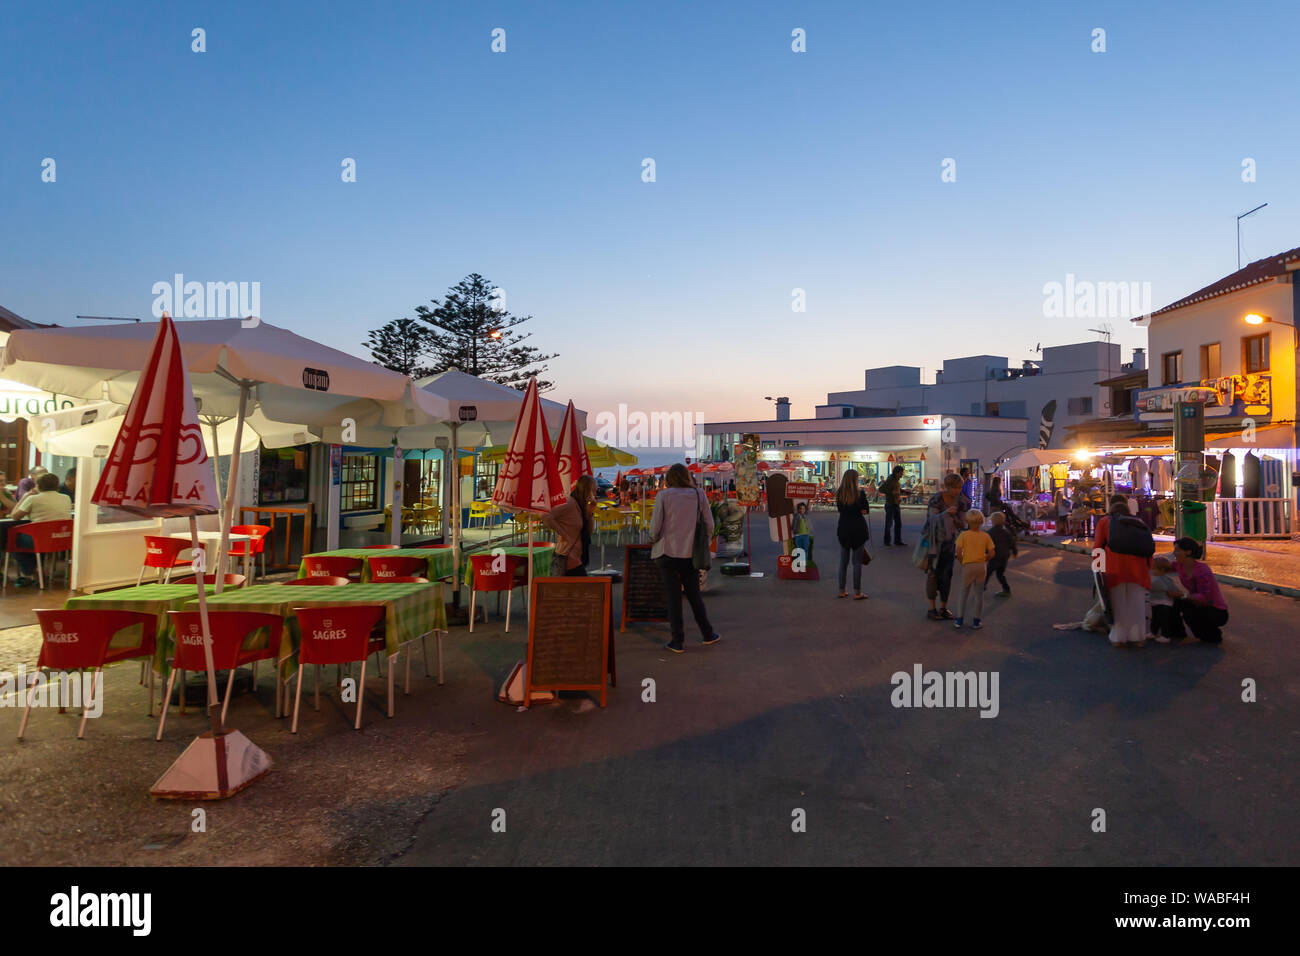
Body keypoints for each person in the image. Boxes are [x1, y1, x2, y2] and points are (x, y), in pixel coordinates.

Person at [649, 463, 718, 653]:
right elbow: (709, 523)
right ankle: (707, 633)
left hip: (667, 552)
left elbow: (655, 526)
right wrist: (705, 541)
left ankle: (677, 641)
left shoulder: (663, 496)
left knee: (673, 598)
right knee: (694, 595)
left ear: (670, 479)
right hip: (690, 553)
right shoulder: (698, 494)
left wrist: (652, 539)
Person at [1093, 494, 1152, 647]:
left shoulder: (1105, 522)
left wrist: (1097, 569)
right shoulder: (1139, 521)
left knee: (1118, 606)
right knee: (1137, 605)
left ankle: (1119, 638)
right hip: (1138, 570)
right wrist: (1148, 567)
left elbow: (1098, 547)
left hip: (1115, 569)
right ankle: (1137, 637)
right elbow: (1148, 548)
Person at [9, 473, 72, 586]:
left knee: (12, 542)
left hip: (40, 539)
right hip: (61, 539)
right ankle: (39, 571)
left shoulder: (33, 499)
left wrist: (25, 496)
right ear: (57, 485)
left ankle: (33, 572)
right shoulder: (66, 498)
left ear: (38, 486)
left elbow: (14, 516)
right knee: (35, 539)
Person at [924, 473, 970, 621]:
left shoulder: (962, 501)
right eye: (954, 488)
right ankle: (932, 609)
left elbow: (963, 524)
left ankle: (943, 607)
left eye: (959, 488)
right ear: (946, 486)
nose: (957, 491)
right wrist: (945, 513)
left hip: (950, 542)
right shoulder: (937, 499)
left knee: (947, 575)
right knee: (933, 574)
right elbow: (931, 520)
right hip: (934, 541)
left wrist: (959, 522)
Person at [1168, 537, 1228, 643]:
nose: (1174, 553)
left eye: (1177, 550)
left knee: (1186, 607)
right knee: (1176, 603)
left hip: (1216, 610)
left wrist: (1184, 595)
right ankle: (1178, 634)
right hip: (1198, 604)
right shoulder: (1180, 566)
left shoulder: (1202, 570)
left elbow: (1205, 598)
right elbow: (1163, 566)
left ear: (1188, 552)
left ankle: (1211, 634)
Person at [542, 475, 596, 576]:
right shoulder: (570, 503)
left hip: (577, 557)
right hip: (567, 557)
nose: (595, 494)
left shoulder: (582, 506)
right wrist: (563, 533)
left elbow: (589, 533)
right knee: (584, 589)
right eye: (594, 490)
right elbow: (546, 515)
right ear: (586, 490)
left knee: (576, 590)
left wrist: (590, 513)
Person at [953, 510, 994, 628]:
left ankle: (959, 619)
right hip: (981, 566)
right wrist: (984, 559)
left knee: (964, 592)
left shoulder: (963, 535)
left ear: (967, 521)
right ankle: (976, 621)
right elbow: (992, 553)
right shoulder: (986, 536)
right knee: (978, 594)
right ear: (981, 521)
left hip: (968, 565)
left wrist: (962, 561)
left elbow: (958, 551)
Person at [834, 469, 871, 600]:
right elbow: (866, 510)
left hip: (844, 528)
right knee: (857, 562)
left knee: (843, 562)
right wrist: (860, 510)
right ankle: (857, 592)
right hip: (858, 529)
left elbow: (840, 509)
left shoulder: (839, 493)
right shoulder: (860, 493)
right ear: (855, 479)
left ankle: (841, 590)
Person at [1148, 555, 1187, 643]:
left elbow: (1152, 587)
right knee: (1156, 619)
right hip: (1163, 602)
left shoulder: (1157, 580)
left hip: (1161, 603)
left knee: (1160, 620)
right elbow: (1174, 589)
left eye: (1154, 568)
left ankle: (1165, 635)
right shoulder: (1169, 580)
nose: (1152, 570)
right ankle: (1154, 632)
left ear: (1161, 570)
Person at [985, 510, 1017, 596]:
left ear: (992, 521)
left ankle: (982, 587)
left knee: (988, 572)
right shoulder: (1006, 531)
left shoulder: (991, 532)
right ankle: (1006, 589)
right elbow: (1012, 542)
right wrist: (1014, 551)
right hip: (1004, 556)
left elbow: (987, 544)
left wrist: (984, 553)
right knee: (1000, 574)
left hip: (995, 556)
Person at [878, 465, 906, 547]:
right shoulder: (890, 480)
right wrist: (891, 492)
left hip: (896, 504)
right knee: (889, 524)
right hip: (890, 504)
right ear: (897, 473)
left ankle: (897, 540)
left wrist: (904, 491)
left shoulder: (896, 480)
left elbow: (896, 489)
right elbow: (881, 489)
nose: (902, 475)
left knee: (898, 523)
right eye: (901, 473)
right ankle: (887, 541)